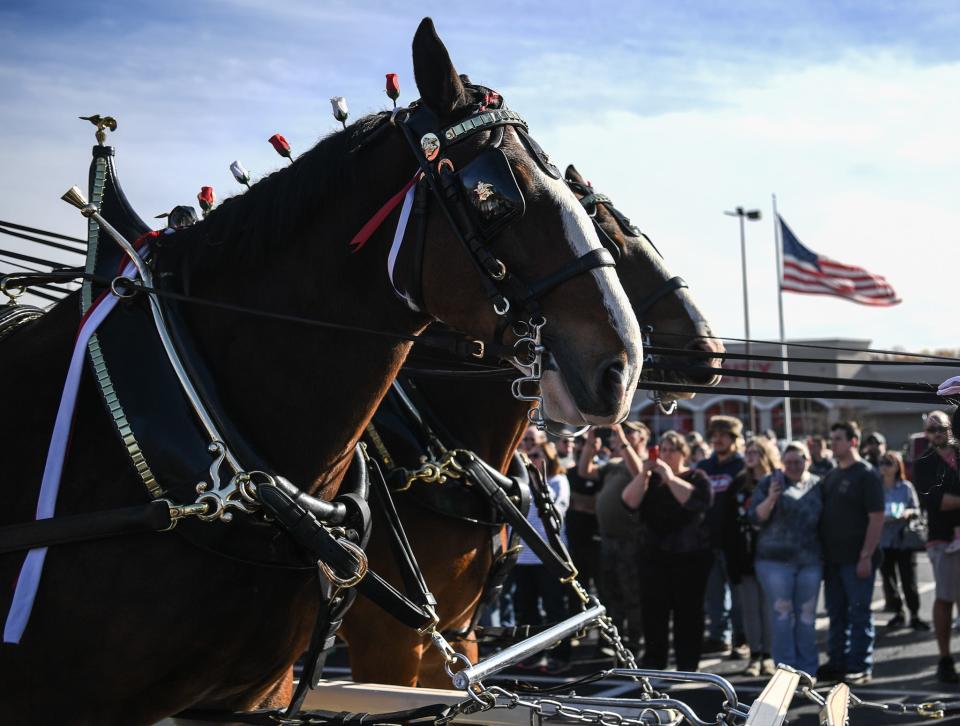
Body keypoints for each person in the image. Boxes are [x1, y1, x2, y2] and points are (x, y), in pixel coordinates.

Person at [622, 431, 713, 671]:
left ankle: (687, 664)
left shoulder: (697, 476)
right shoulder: (649, 480)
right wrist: (644, 472)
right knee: (653, 613)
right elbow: (628, 501)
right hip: (653, 557)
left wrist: (670, 477)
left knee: (688, 614)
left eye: (672, 449)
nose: (666, 454)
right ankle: (655, 660)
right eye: (663, 449)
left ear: (684, 453)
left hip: (688, 558)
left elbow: (696, 502)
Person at [818, 421, 885, 685]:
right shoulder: (832, 475)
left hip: (857, 559)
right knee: (836, 614)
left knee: (859, 614)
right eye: (831, 438)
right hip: (833, 559)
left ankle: (860, 665)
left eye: (837, 439)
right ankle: (838, 662)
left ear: (853, 442)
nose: (832, 443)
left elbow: (877, 518)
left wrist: (866, 556)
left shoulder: (866, 474)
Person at [750, 441, 823, 677]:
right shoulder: (770, 482)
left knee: (806, 617)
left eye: (798, 461)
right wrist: (771, 497)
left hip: (810, 560)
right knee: (782, 614)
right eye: (788, 462)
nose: (793, 466)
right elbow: (755, 517)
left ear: (807, 461)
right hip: (774, 561)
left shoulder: (818, 484)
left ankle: (808, 671)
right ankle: (785, 672)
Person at [579, 422, 649, 650]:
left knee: (633, 593)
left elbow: (639, 472)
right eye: (622, 431)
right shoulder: (614, 463)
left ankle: (636, 639)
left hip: (631, 538)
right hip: (608, 538)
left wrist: (623, 440)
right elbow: (584, 471)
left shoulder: (646, 461)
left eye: (630, 431)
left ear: (643, 436)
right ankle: (616, 640)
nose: (623, 435)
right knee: (611, 592)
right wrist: (590, 444)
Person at [724, 437, 780, 676]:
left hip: (770, 552)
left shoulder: (776, 483)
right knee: (749, 607)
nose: (750, 455)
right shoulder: (738, 483)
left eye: (756, 451)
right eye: (748, 451)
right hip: (744, 552)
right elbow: (728, 519)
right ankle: (754, 655)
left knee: (768, 607)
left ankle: (769, 655)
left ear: (765, 454)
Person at [514, 441, 571, 673]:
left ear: (548, 459)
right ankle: (532, 654)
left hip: (549, 558)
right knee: (527, 610)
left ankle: (560, 655)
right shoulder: (522, 485)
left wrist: (538, 483)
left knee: (554, 608)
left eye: (536, 456)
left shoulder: (559, 481)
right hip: (524, 558)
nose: (531, 460)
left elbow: (555, 512)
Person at [914, 410, 960, 683]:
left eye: (940, 427)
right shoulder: (924, 463)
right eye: (930, 430)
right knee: (945, 597)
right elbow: (936, 502)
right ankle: (945, 658)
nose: (936, 434)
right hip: (942, 539)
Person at [697, 416, 746, 656]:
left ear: (734, 439)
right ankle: (719, 637)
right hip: (709, 539)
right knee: (714, 595)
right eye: (713, 435)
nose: (716, 439)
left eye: (722, 435)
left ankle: (741, 638)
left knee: (739, 597)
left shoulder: (742, 466)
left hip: (735, 542)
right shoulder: (705, 466)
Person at [877, 451, 928, 631]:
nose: (885, 466)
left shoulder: (905, 487)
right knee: (888, 579)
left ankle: (914, 614)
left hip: (903, 539)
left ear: (898, 466)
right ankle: (898, 612)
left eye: (889, 463)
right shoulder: (876, 487)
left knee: (908, 579)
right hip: (883, 540)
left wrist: (907, 513)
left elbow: (916, 509)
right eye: (882, 462)